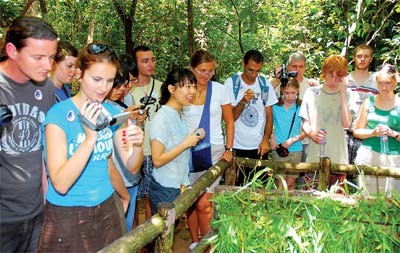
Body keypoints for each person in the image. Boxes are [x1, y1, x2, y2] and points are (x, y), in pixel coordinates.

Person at [38, 43, 144, 252]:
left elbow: (131, 166)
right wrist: (89, 139)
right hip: (68, 214)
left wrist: (138, 144)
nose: (103, 88)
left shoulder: (110, 113)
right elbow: (60, 184)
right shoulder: (58, 116)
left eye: (109, 80)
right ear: (79, 74)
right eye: (96, 79)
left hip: (105, 207)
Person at [0, 16, 58, 252]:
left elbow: (42, 148)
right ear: (12, 51)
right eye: (38, 57)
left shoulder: (45, 88)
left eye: (52, 57)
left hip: (35, 212)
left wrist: (47, 200)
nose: (48, 66)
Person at [182, 49, 234, 250]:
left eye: (210, 71)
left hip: (214, 151)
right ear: (192, 69)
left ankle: (208, 245)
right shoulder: (184, 90)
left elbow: (229, 121)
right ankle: (195, 241)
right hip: (187, 153)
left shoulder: (220, 90)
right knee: (190, 201)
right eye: (202, 70)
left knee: (204, 203)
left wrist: (229, 148)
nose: (206, 75)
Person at [148, 68, 202, 215]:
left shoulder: (179, 113)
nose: (192, 92)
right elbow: (157, 160)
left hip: (179, 184)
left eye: (194, 87)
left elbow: (175, 144)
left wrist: (193, 137)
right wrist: (186, 143)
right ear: (172, 89)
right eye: (187, 86)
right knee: (162, 234)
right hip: (165, 188)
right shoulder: (161, 119)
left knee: (171, 230)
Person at [224, 49, 278, 185]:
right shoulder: (232, 84)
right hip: (236, 146)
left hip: (259, 147)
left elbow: (269, 116)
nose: (254, 75)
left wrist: (265, 139)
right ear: (243, 64)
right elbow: (229, 118)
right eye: (250, 70)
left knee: (259, 189)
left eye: (257, 71)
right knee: (236, 188)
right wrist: (243, 101)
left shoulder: (264, 85)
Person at [299, 55, 352, 188]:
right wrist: (311, 133)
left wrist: (343, 94)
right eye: (330, 75)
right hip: (315, 154)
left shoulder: (346, 94)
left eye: (338, 76)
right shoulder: (311, 93)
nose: (333, 80)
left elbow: (347, 123)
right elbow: (305, 122)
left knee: (336, 199)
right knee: (313, 196)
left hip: (338, 155)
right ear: (324, 72)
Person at [106, 55, 145, 232]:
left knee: (126, 226)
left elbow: (131, 137)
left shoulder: (127, 100)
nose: (125, 88)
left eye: (129, 82)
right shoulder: (101, 107)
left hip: (130, 175)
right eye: (121, 83)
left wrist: (138, 122)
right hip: (114, 180)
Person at [353, 64, 400, 194]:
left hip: (395, 158)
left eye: (388, 83)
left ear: (395, 82)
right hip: (369, 156)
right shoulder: (369, 102)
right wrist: (373, 132)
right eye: (380, 83)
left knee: (393, 200)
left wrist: (393, 133)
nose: (384, 87)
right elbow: (357, 131)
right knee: (367, 198)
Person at [130, 45, 162, 222]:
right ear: (136, 64)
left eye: (152, 60)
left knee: (152, 196)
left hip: (156, 151)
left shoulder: (162, 88)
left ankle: (150, 240)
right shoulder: (128, 89)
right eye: (145, 61)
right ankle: (133, 239)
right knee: (134, 197)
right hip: (135, 150)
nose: (151, 64)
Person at [272, 51, 319, 163]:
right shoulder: (281, 83)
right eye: (294, 66)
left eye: (301, 66)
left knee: (302, 176)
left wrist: (319, 86)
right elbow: (264, 96)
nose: (297, 70)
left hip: (305, 140)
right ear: (288, 67)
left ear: (305, 67)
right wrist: (277, 79)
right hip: (282, 141)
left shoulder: (310, 85)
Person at [270, 77, 306, 190]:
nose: (290, 96)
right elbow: (266, 123)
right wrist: (271, 136)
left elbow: (306, 131)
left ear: (298, 91)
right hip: (278, 148)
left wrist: (293, 140)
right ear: (281, 90)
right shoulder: (275, 105)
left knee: (290, 184)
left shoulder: (301, 106)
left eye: (293, 93)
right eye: (286, 93)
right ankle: (279, 207)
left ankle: (288, 206)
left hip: (295, 149)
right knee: (280, 184)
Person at [346, 44, 378, 164]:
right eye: (359, 56)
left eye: (366, 56)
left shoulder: (377, 82)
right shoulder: (344, 81)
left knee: (363, 174)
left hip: (368, 134)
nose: (362, 59)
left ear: (371, 59)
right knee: (342, 174)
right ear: (354, 58)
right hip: (346, 134)